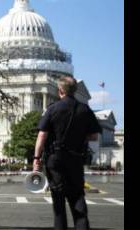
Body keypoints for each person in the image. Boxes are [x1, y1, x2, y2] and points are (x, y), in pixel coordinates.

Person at [33, 76, 102, 230]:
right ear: (74, 90)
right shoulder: (84, 109)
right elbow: (94, 135)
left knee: (58, 199)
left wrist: (36, 158)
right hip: (76, 158)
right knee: (77, 196)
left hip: (55, 158)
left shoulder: (52, 108)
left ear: (60, 91)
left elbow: (42, 135)